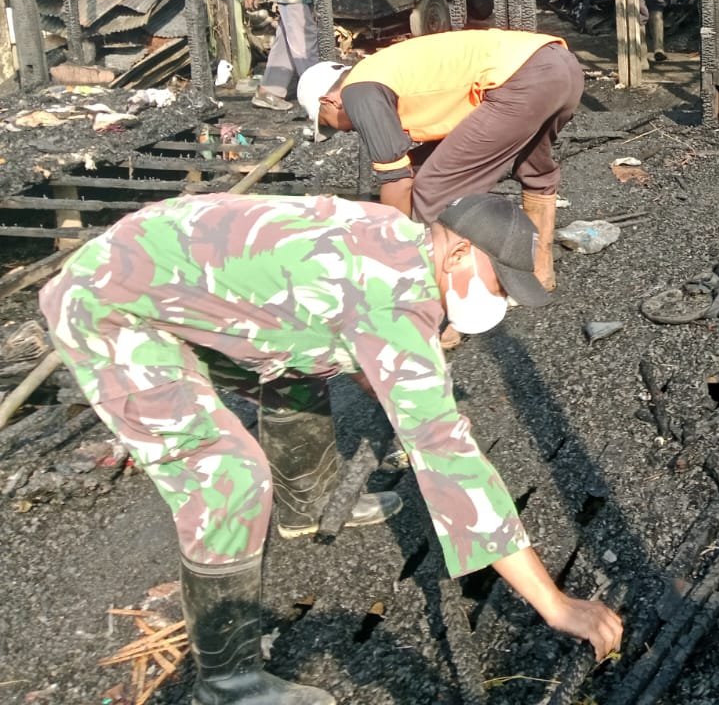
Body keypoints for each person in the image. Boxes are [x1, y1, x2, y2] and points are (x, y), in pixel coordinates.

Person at [40, 192, 624, 705]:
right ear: (458, 255)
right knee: (228, 478)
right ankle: (228, 684)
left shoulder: (398, 235)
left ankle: (308, 504)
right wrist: (553, 603)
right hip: (108, 308)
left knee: (306, 353)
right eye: (500, 284)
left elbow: (354, 340)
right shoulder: (390, 298)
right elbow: (448, 455)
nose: (502, 303)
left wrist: (400, 389)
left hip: (166, 270)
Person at [296, 28, 583, 291]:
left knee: (432, 191)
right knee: (535, 168)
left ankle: (438, 304)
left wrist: (393, 250)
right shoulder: (382, 71)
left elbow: (397, 180)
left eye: (330, 123)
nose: (342, 129)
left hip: (521, 79)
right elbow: (424, 155)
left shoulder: (358, 91)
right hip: (561, 64)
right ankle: (541, 273)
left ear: (329, 102)